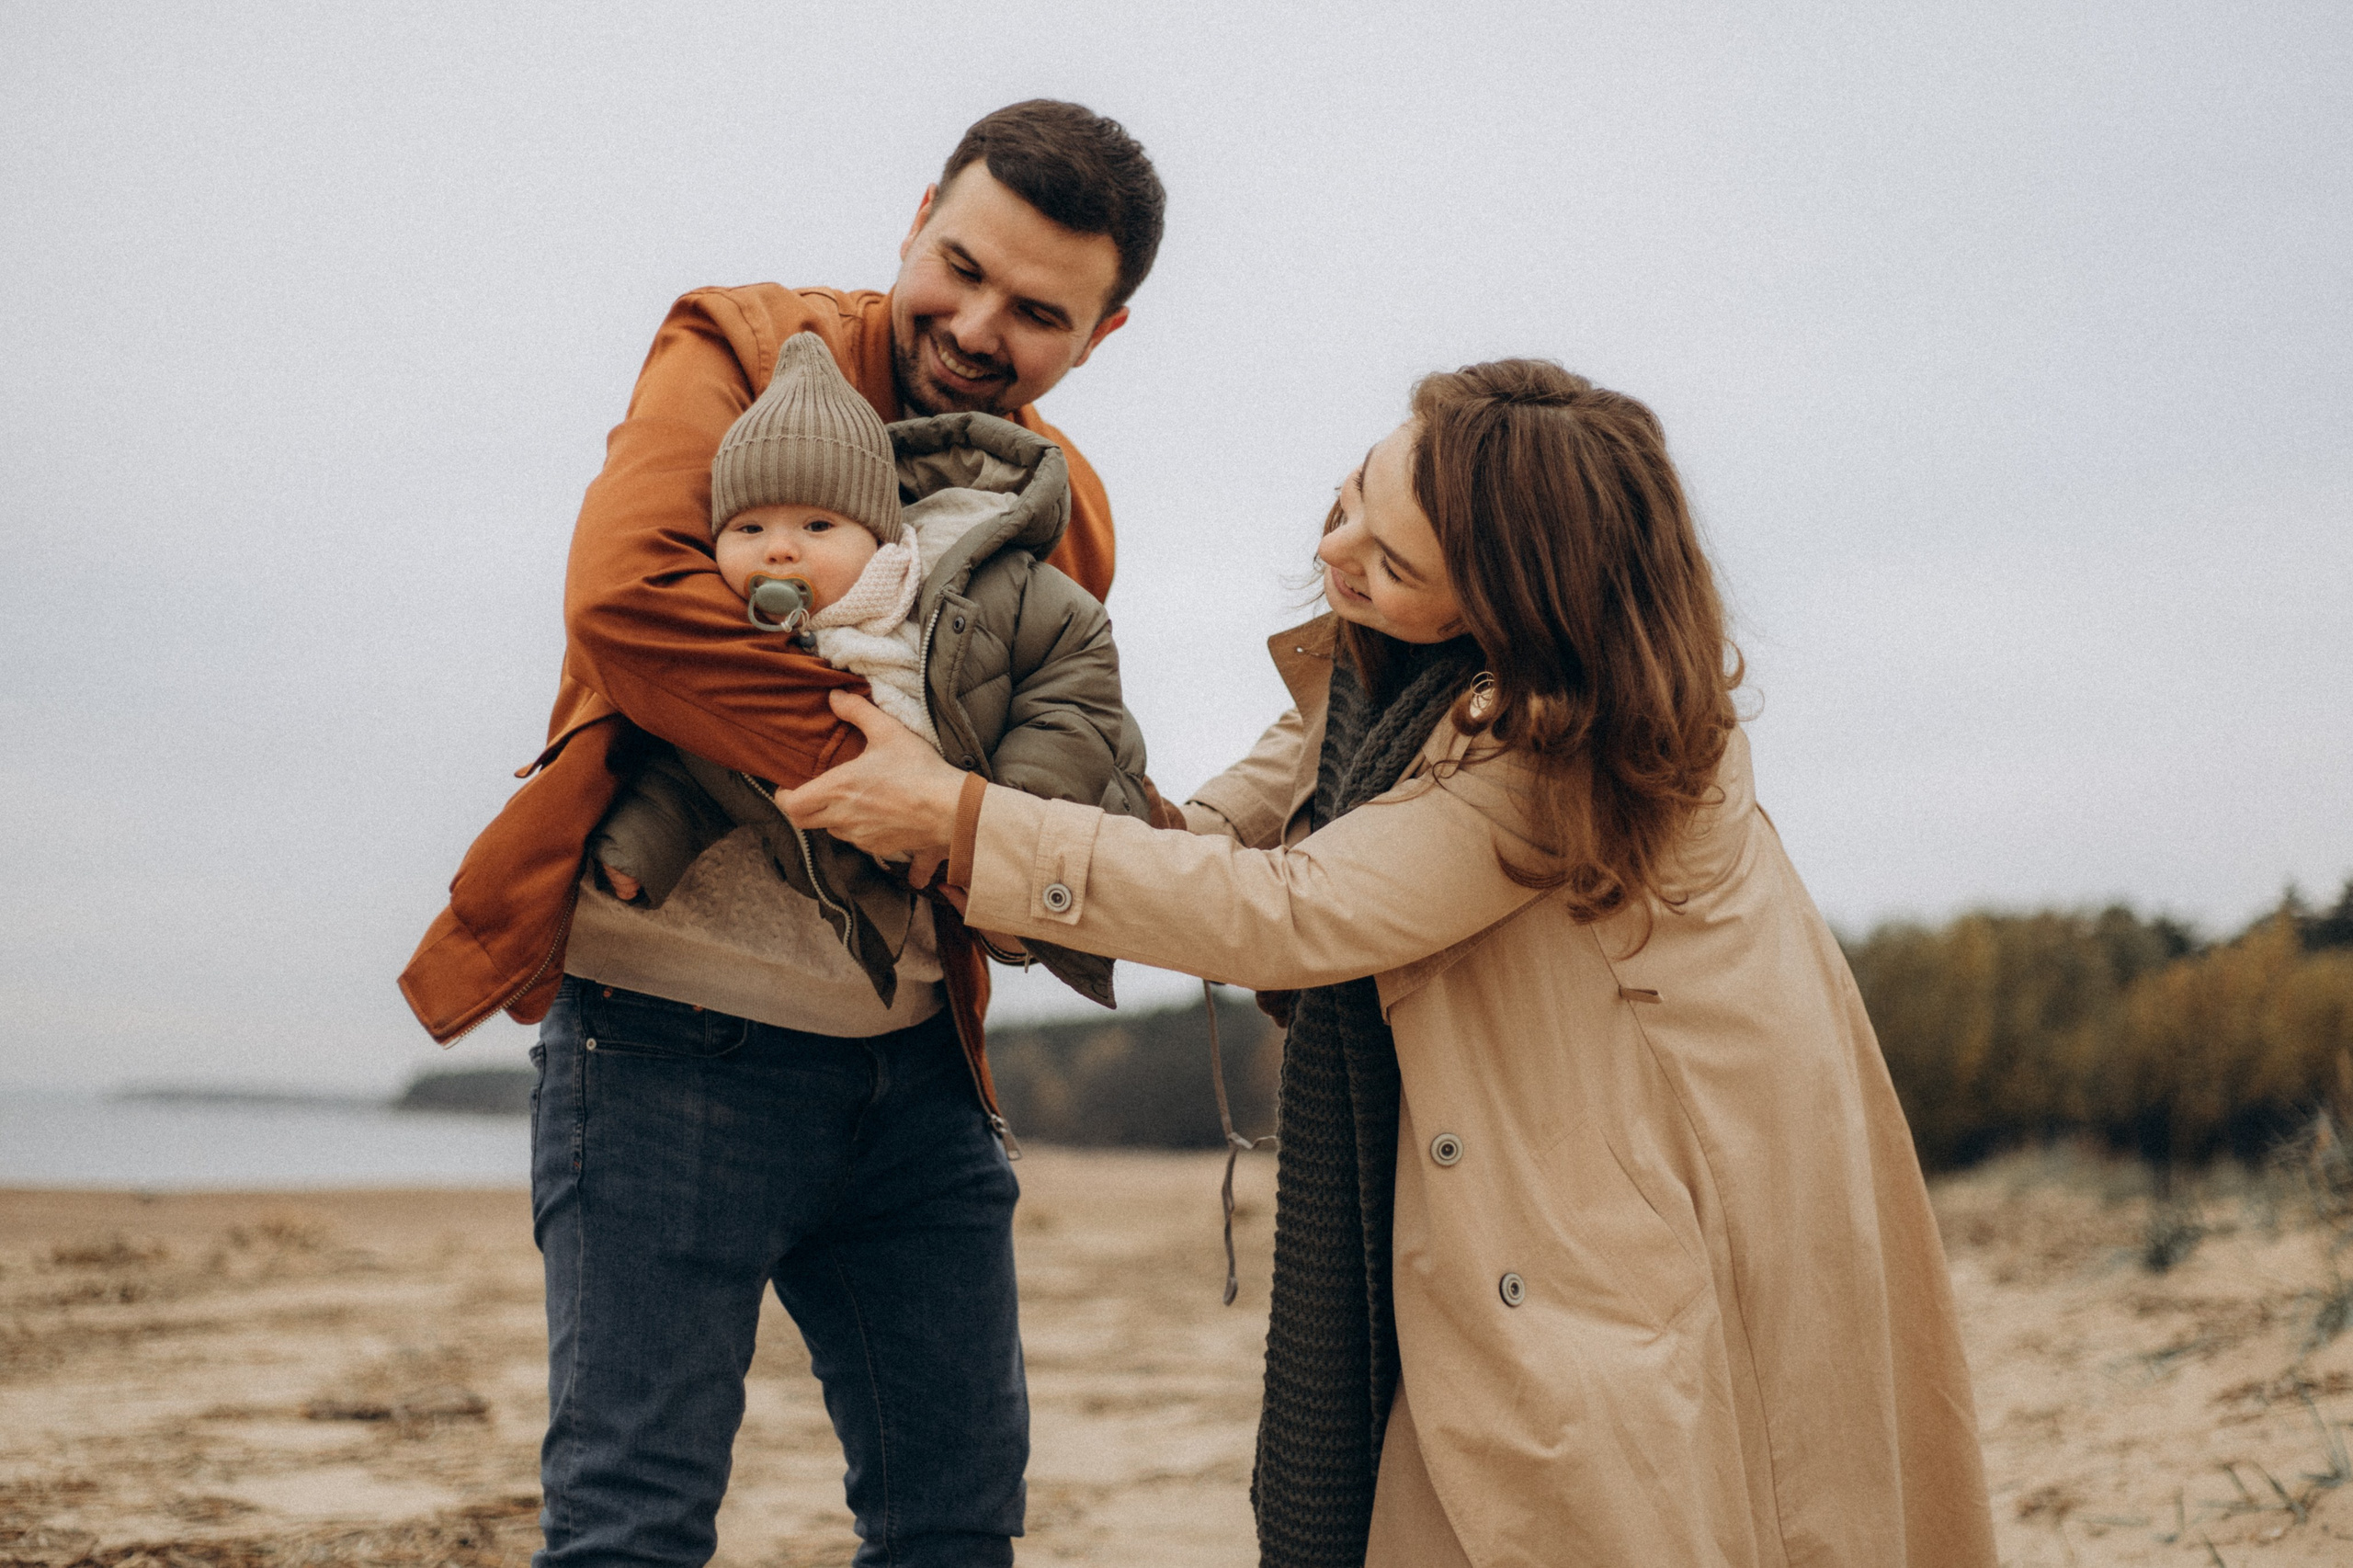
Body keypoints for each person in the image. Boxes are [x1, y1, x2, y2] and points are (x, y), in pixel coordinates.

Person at [783, 358, 2002, 1565]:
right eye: (1350, 496)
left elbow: (1292, 909)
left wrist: (965, 824)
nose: (1338, 552)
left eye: (1393, 560)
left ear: (1513, 609)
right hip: (1535, 1214)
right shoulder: (1384, 680)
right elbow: (1206, 838)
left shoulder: (1557, 750)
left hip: (1615, 1238)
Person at [397, 101, 1166, 1567]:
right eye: (961, 266)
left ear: (1102, 334)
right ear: (917, 216)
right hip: (672, 1044)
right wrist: (899, 801)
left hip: (924, 1072)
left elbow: (1055, 759)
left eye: (1039, 310)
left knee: (956, 1523)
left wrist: (1025, 848)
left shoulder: (1066, 511)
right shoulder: (739, 347)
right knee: (632, 1523)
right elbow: (630, 605)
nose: (980, 322)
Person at [585, 329, 1147, 1010]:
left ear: (879, 535)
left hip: (1048, 813)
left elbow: (1071, 677)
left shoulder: (963, 593)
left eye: (818, 527)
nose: (781, 551)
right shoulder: (738, 648)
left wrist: (997, 819)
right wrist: (642, 846)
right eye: (749, 529)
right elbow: (705, 769)